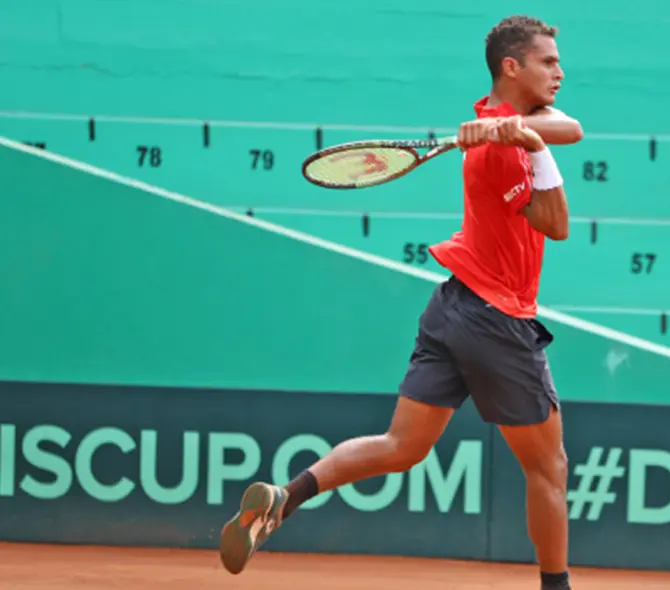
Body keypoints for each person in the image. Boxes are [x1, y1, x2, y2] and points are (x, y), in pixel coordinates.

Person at [218, 14, 583, 590]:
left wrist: (526, 133)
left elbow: (572, 128)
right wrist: (530, 150)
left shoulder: (504, 120)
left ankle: (285, 498)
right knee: (549, 468)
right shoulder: (498, 152)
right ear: (511, 67)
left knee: (401, 446)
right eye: (548, 62)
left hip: (450, 308)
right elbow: (556, 224)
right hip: (497, 318)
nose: (560, 71)